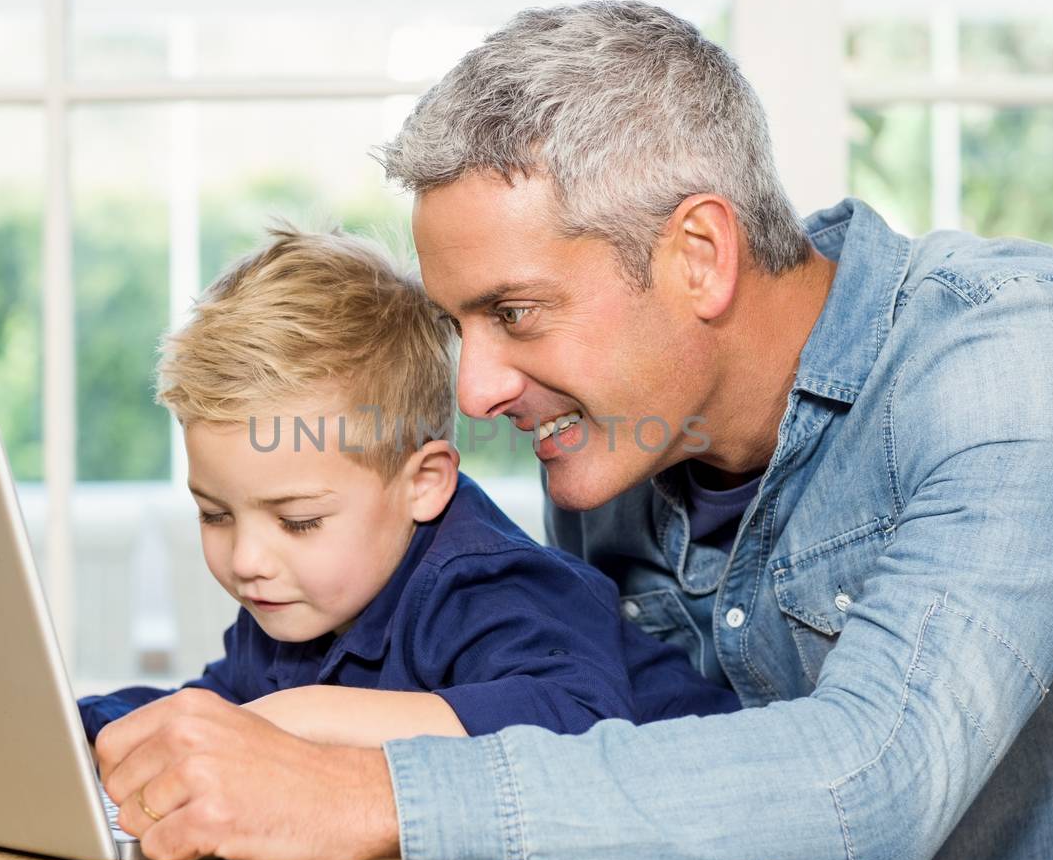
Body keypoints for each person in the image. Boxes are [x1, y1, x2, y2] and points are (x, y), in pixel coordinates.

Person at [90, 3, 1053, 860]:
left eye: (513, 313)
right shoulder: (611, 443)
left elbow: (871, 780)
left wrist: (364, 794)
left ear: (697, 253)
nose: (480, 386)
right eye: (462, 324)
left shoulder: (1014, 356)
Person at [75, 224, 740, 750]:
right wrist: (79, 726)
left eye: (298, 520)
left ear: (423, 484)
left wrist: (302, 715)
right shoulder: (296, 603)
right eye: (215, 515)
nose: (246, 559)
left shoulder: (490, 585)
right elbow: (215, 712)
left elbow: (578, 717)